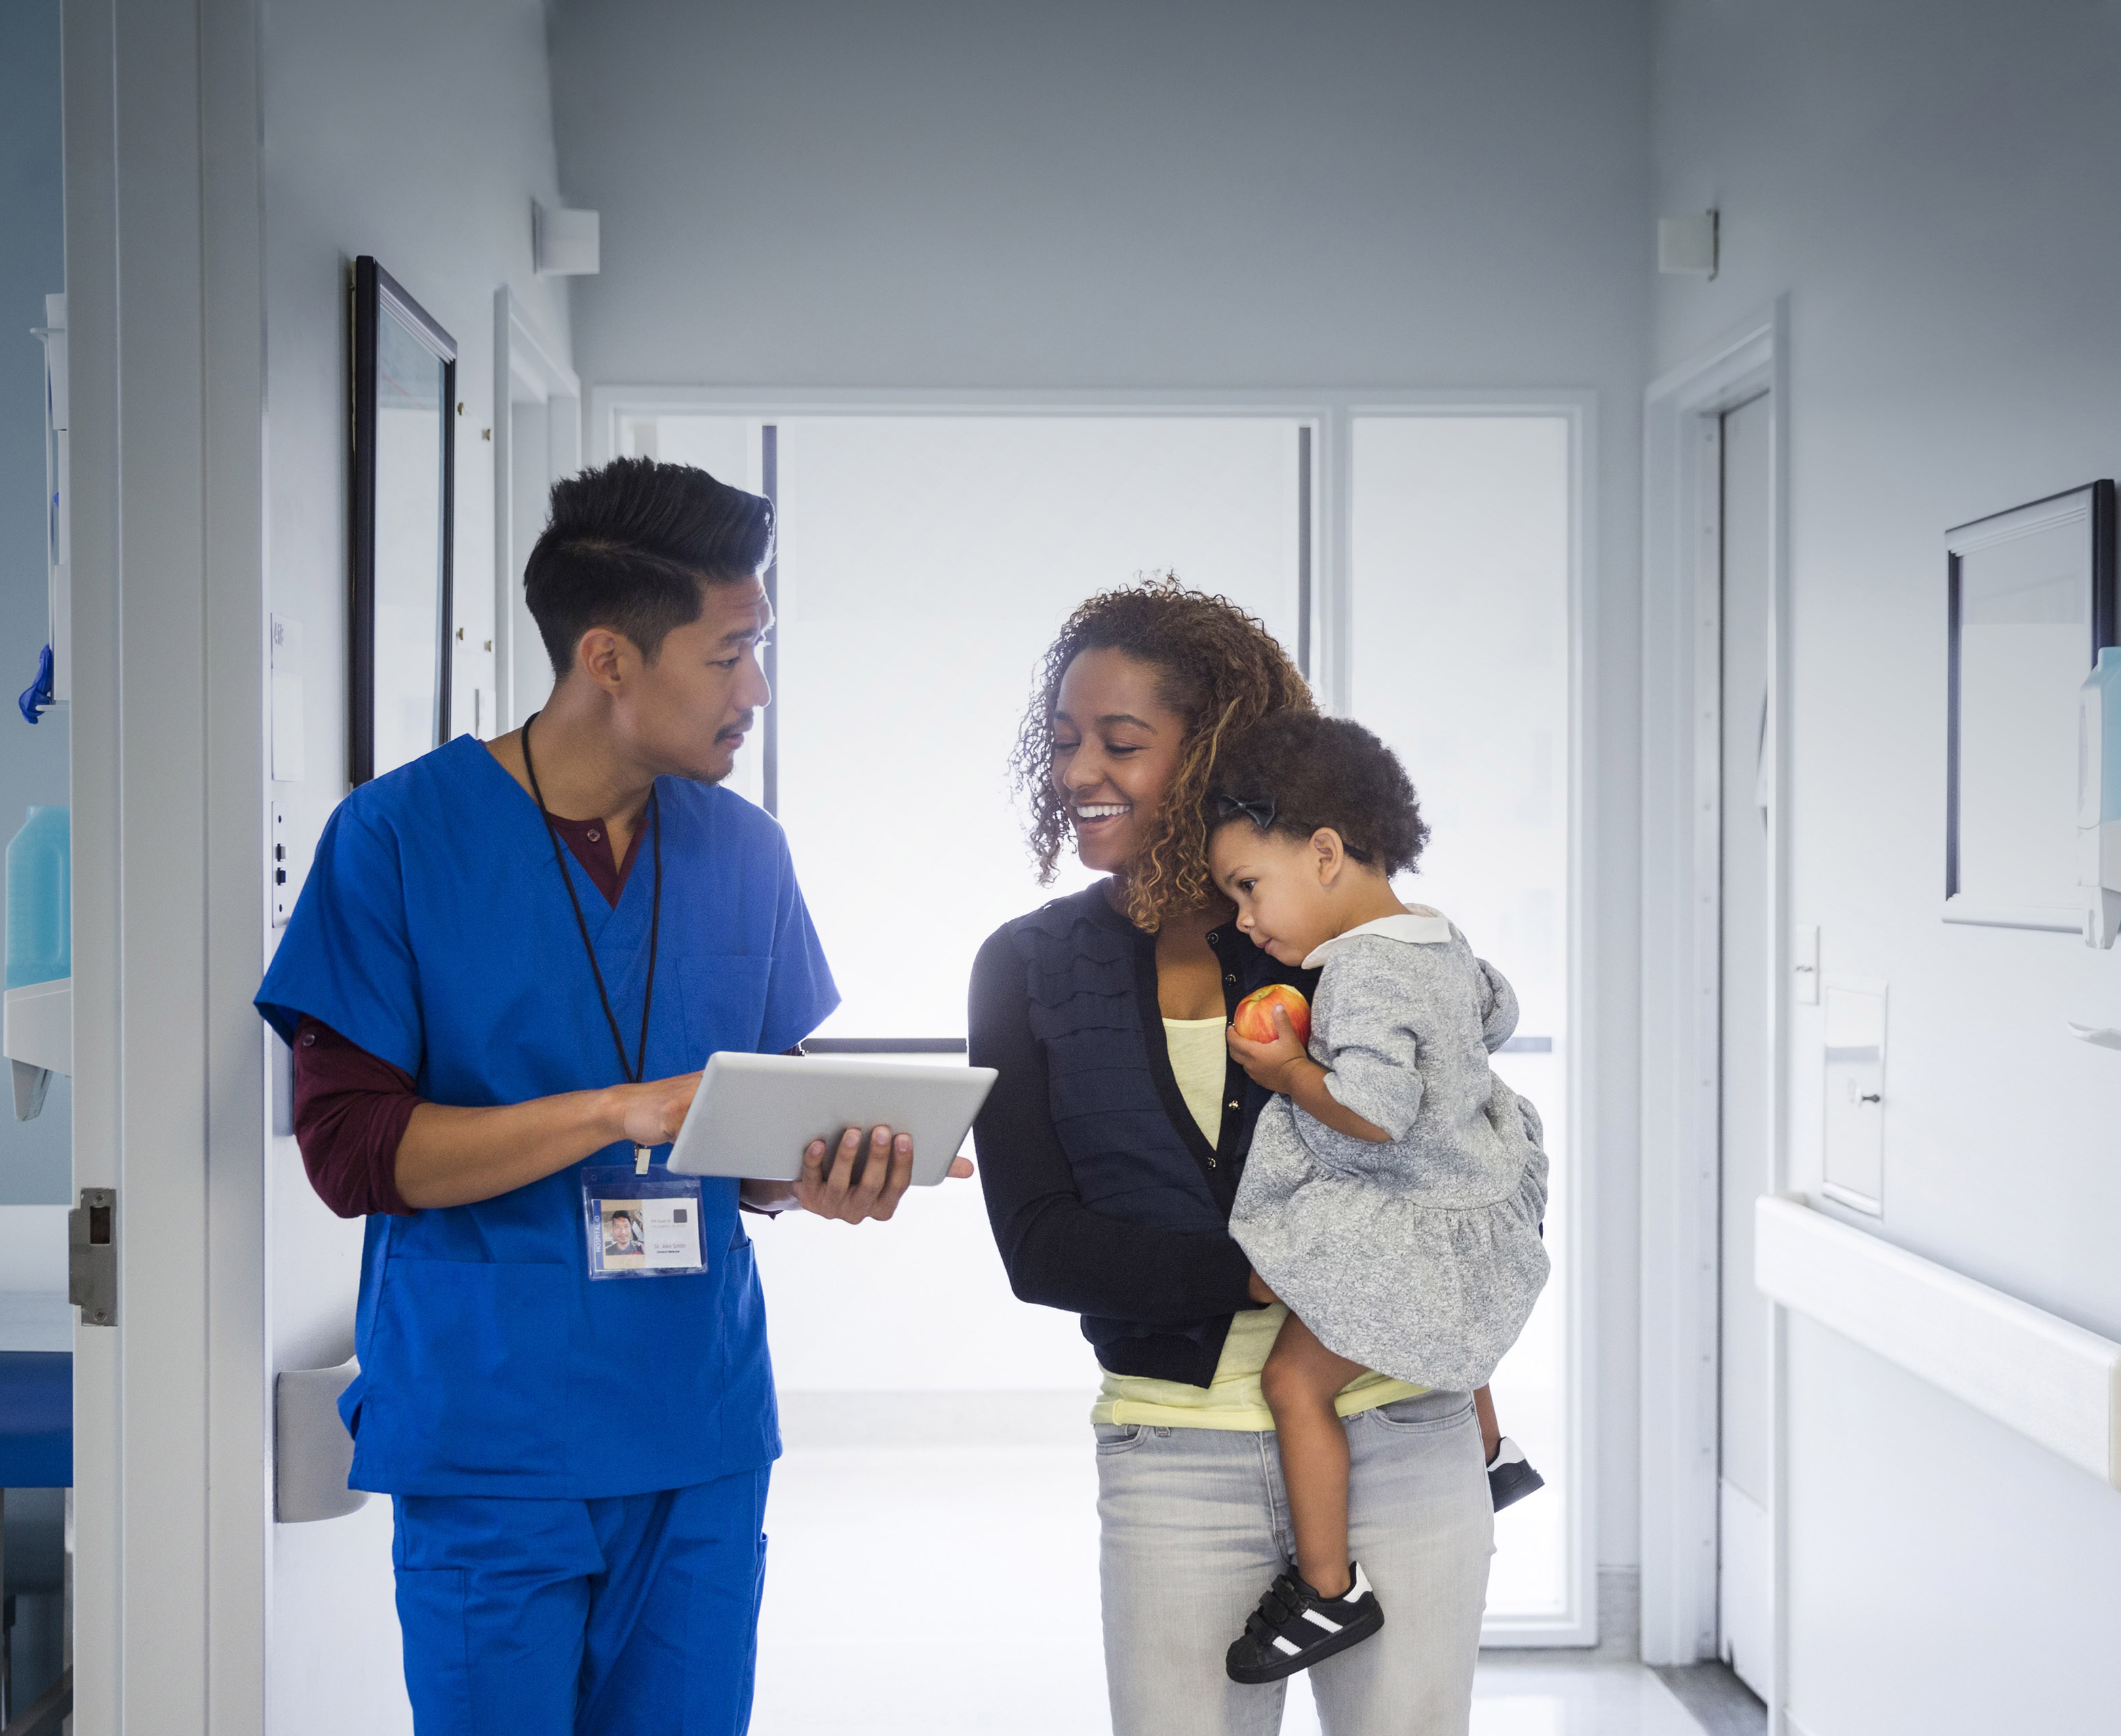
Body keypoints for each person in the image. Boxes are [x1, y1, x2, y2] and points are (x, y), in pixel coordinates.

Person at [256, 457, 967, 1736]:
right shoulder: (399, 838)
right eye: (732, 652)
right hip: (493, 1427)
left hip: (695, 1419)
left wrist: (816, 1176)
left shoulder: (743, 849)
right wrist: (613, 1112)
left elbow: (746, 1126)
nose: (757, 688)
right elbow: (354, 1153)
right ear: (610, 657)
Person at [967, 578, 1513, 1736]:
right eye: (1063, 743)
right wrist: (1282, 1270)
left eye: (1121, 742)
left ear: (1213, 752)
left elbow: (1467, 1155)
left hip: (1406, 1436)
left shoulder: (1339, 942)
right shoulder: (1027, 966)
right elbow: (1041, 1245)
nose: (1077, 773)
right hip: (1174, 1455)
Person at [1203, 712, 1551, 1684]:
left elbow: (1374, 1112)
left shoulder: (1359, 969)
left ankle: (1326, 1590)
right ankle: (1489, 1455)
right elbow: (1499, 1008)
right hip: (1474, 1207)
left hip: (1412, 1229)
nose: (1243, 919)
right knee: (1448, 1315)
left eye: (1249, 886)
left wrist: (1283, 1071)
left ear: (1323, 854)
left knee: (1294, 1382)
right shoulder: (1437, 939)